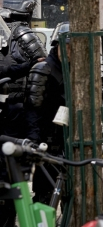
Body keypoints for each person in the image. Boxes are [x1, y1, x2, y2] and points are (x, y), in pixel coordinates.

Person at [0, 0, 47, 227]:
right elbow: (43, 67)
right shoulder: (25, 35)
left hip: (3, 109)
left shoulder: (1, 30)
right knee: (15, 171)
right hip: (20, 110)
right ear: (28, 8)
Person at [25, 22, 69, 206]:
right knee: (45, 195)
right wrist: (34, 141)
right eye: (66, 46)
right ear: (57, 45)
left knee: (71, 192)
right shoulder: (44, 70)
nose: (70, 51)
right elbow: (33, 110)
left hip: (70, 141)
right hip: (48, 142)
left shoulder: (79, 71)